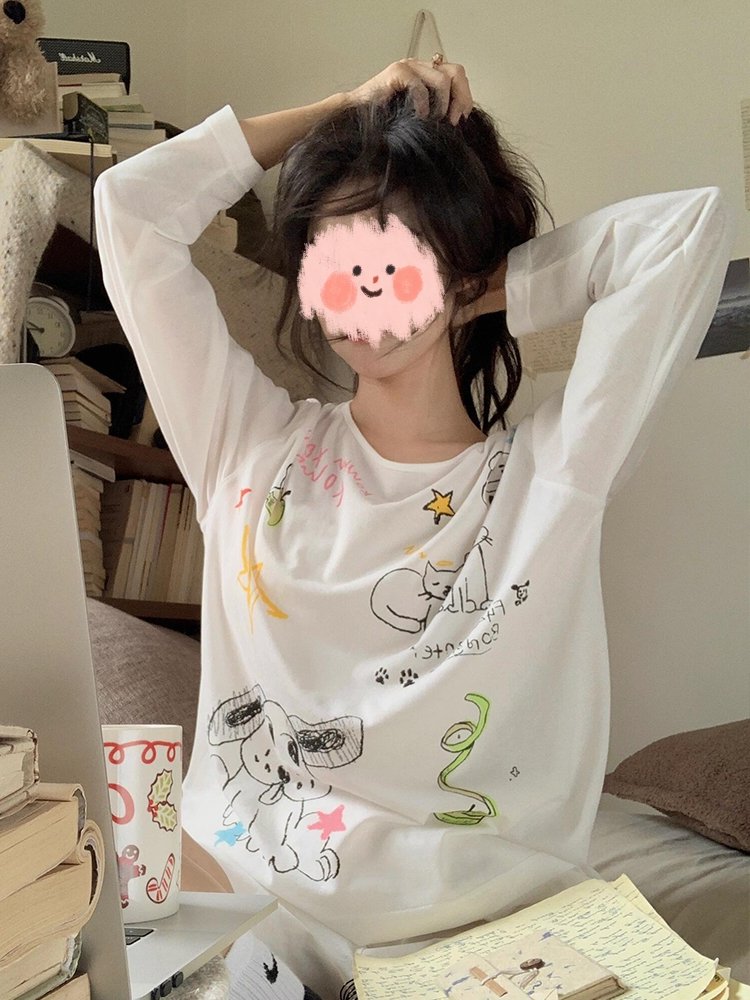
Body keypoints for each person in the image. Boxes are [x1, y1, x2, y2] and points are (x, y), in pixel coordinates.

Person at [94, 57, 734, 1000]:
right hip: (248, 909)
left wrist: (475, 285)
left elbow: (684, 233)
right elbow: (130, 210)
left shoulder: (552, 479)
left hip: (476, 934)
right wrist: (341, 109)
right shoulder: (245, 445)